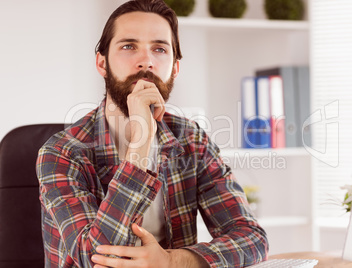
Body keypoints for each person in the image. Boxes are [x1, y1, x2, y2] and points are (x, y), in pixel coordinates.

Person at [36, 0, 269, 267]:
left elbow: (252, 238)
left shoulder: (192, 140)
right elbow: (94, 260)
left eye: (159, 49)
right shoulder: (62, 153)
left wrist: (172, 261)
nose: (146, 61)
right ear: (102, 63)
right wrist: (141, 143)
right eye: (128, 46)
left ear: (175, 68)